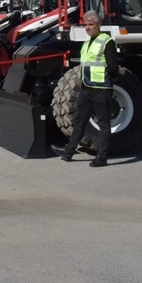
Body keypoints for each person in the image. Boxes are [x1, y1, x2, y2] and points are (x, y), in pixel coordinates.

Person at [52, 11, 115, 167]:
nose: (87, 27)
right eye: (85, 24)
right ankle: (69, 152)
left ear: (99, 25)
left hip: (101, 88)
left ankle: (102, 157)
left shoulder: (107, 41)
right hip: (86, 87)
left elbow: (113, 66)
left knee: (103, 124)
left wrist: (104, 78)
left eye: (91, 24)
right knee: (79, 121)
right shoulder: (87, 42)